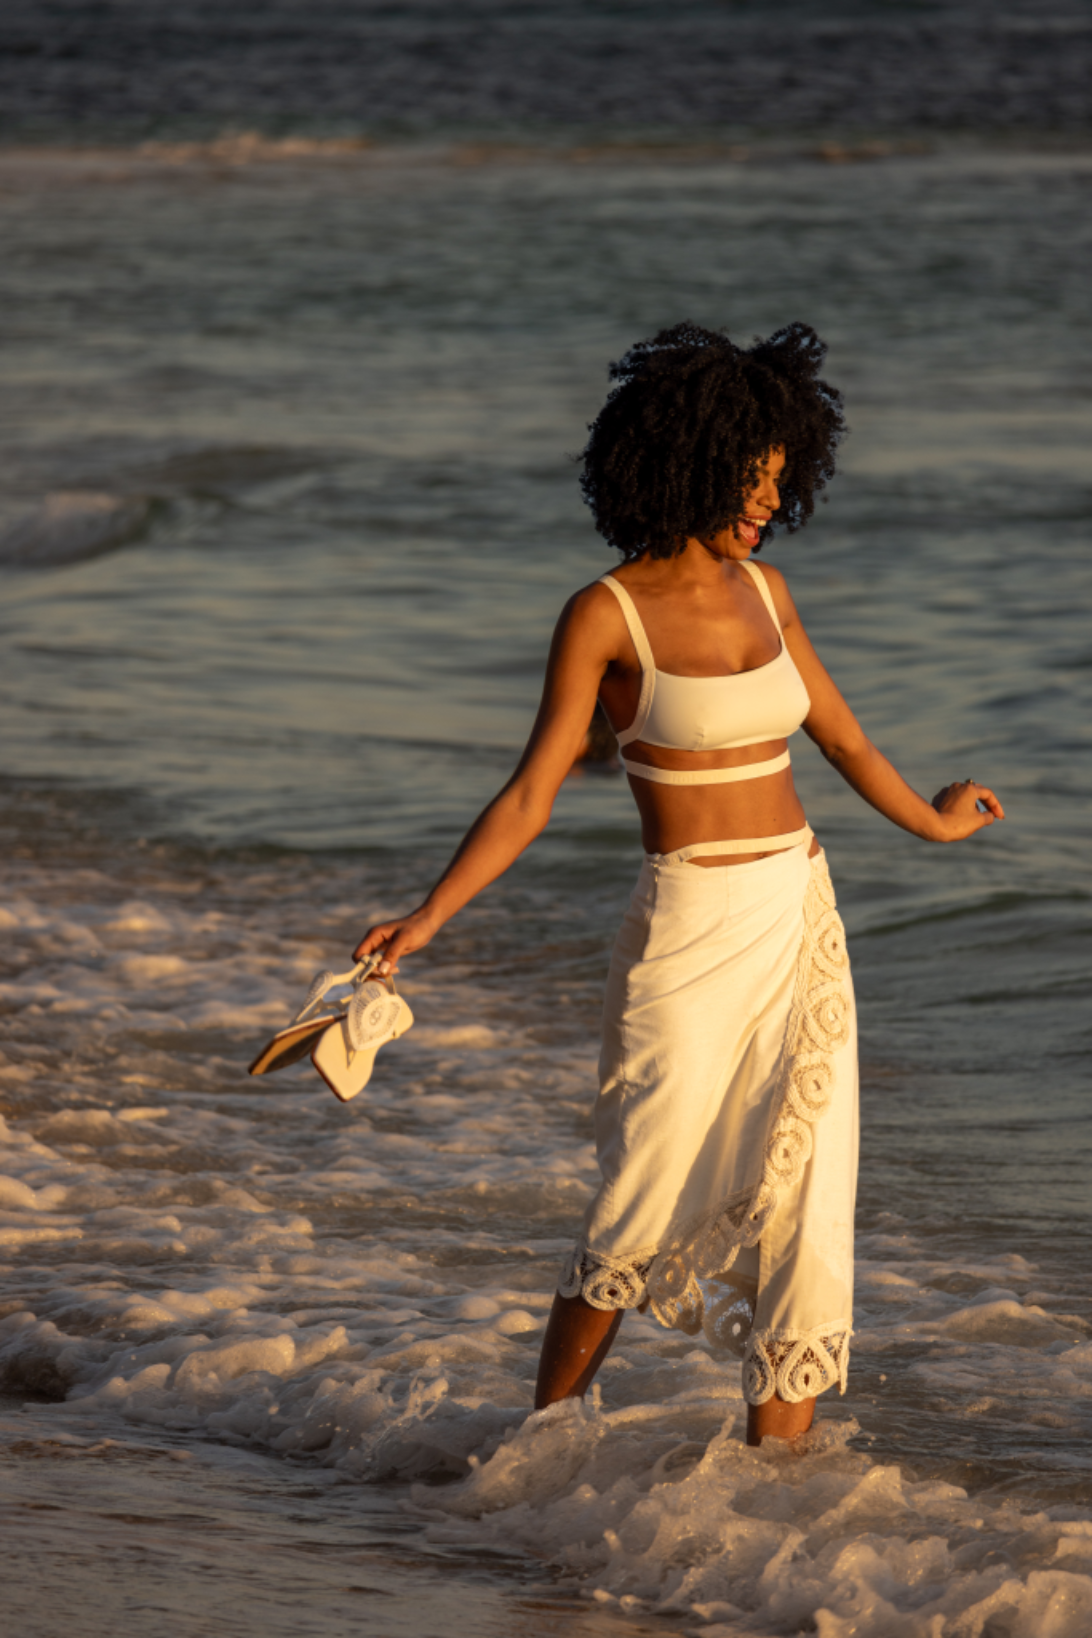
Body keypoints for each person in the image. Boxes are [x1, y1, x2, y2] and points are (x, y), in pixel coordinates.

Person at [354, 322, 1003, 1446]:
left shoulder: (768, 590)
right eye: (750, 484)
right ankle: (534, 1457)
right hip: (688, 930)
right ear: (689, 464)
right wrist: (427, 918)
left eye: (778, 487)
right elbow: (528, 796)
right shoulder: (603, 617)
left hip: (797, 913)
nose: (765, 506)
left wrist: (935, 827)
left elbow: (845, 745)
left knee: (806, 1206)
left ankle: (776, 1505)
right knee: (639, 1194)